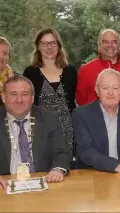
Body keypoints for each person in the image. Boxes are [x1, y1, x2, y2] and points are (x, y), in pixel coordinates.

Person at [0, 75, 71, 190]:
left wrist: (57, 170)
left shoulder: (50, 118)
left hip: (45, 183)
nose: (19, 100)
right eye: (13, 94)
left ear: (32, 98)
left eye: (25, 94)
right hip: (3, 187)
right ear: (4, 97)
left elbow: (62, 152)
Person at [73, 69, 120, 173]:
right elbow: (85, 151)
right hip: (92, 174)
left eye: (115, 88)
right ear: (97, 90)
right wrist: (117, 166)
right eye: (105, 88)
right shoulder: (81, 114)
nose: (110, 93)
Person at [23, 28, 77, 160]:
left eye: (53, 43)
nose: (49, 47)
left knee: (66, 166)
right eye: (44, 43)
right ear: (38, 46)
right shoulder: (30, 72)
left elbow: (73, 102)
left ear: (58, 46)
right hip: (40, 130)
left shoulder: (70, 71)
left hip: (68, 129)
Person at [76, 29, 120, 108]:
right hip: (94, 119)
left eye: (114, 42)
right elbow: (81, 100)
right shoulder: (85, 71)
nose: (110, 45)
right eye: (105, 42)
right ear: (99, 45)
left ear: (119, 45)